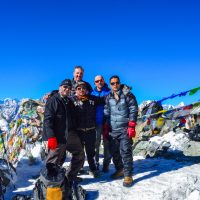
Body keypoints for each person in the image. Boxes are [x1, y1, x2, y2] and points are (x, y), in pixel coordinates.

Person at [43, 79, 85, 183]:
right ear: (60, 87)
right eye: (64, 87)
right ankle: (50, 183)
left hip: (70, 134)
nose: (67, 89)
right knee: (53, 160)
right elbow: (48, 120)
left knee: (79, 153)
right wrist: (51, 137)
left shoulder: (69, 101)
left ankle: (70, 176)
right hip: (58, 135)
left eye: (69, 88)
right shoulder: (53, 100)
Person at [104, 75, 138, 187]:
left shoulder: (127, 94)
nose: (115, 85)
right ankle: (120, 169)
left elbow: (133, 109)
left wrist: (132, 125)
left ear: (120, 83)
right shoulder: (108, 97)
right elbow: (107, 112)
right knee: (114, 151)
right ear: (110, 85)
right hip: (113, 129)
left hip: (124, 129)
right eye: (112, 83)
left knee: (125, 151)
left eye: (117, 82)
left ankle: (128, 175)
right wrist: (105, 126)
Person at [71, 81, 104, 178]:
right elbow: (61, 99)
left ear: (86, 89)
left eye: (83, 88)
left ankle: (93, 168)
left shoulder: (93, 99)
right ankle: (78, 169)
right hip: (78, 132)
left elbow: (105, 98)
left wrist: (117, 90)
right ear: (75, 90)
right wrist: (51, 95)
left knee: (90, 152)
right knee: (78, 152)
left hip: (91, 131)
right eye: (79, 88)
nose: (81, 90)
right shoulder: (71, 100)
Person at [91, 75, 111, 172]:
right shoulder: (91, 93)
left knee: (107, 143)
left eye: (101, 80)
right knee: (96, 143)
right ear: (94, 83)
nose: (99, 82)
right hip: (96, 122)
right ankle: (96, 162)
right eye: (97, 81)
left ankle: (106, 164)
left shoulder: (109, 92)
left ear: (103, 81)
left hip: (108, 122)